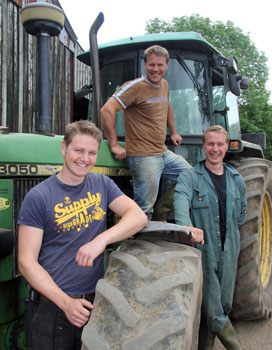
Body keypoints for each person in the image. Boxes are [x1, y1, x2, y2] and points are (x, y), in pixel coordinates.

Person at [17, 120, 148, 350]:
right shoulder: (39, 196)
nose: (85, 158)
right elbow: (26, 262)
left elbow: (138, 216)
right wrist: (66, 303)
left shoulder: (101, 184)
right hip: (52, 307)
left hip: (92, 304)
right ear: (64, 149)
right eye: (78, 150)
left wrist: (101, 240)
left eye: (91, 153)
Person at [174, 125, 247, 350]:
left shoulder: (236, 179)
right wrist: (186, 225)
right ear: (204, 146)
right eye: (210, 144)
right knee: (214, 311)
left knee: (221, 306)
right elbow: (180, 200)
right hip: (204, 251)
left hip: (230, 249)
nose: (215, 149)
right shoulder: (190, 177)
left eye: (220, 144)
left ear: (227, 147)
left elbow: (241, 215)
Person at [100, 44, 191, 219]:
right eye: (151, 65)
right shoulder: (135, 87)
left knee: (192, 177)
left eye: (160, 65)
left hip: (162, 152)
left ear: (166, 65)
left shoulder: (164, 84)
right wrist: (113, 144)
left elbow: (167, 105)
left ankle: (162, 211)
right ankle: (136, 243)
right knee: (143, 208)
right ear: (145, 65)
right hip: (143, 156)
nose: (155, 69)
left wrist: (173, 132)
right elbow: (106, 110)